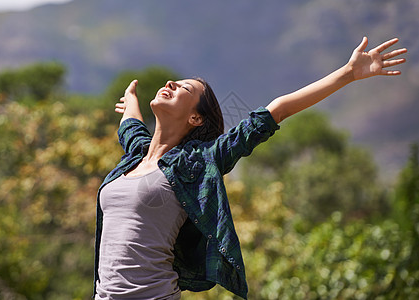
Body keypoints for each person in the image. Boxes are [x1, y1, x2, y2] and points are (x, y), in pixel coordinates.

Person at [93, 37, 407, 299]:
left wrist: (349, 73)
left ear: (195, 119)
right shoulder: (135, 157)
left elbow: (277, 110)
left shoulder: (200, 161)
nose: (170, 83)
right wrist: (130, 98)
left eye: (184, 89)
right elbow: (131, 126)